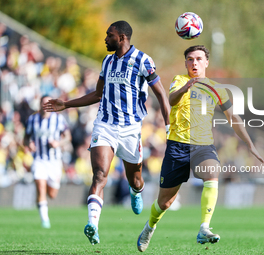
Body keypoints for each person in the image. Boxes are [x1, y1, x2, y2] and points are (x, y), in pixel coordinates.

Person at [43, 21, 170, 245]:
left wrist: (169, 127)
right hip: (105, 125)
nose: (105, 39)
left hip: (131, 129)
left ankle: (135, 191)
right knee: (100, 175)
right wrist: (67, 104)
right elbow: (97, 94)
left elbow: (160, 94)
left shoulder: (143, 60)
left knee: (136, 179)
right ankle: (93, 224)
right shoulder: (107, 61)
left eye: (109, 35)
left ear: (122, 38)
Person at [137, 45, 264, 252]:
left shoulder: (217, 88)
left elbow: (234, 118)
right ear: (185, 62)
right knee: (164, 203)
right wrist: (186, 88)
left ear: (206, 62)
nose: (194, 63)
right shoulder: (179, 81)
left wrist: (250, 145)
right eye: (189, 59)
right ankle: (150, 226)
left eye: (198, 59)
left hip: (202, 145)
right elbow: (170, 101)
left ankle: (204, 227)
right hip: (177, 146)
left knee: (212, 173)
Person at [24, 95, 71, 228]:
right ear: (39, 104)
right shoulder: (32, 119)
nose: (45, 106)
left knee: (52, 194)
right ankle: (45, 220)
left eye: (48, 103)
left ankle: (42, 201)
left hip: (55, 161)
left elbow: (68, 137)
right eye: (43, 103)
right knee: (40, 185)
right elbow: (25, 138)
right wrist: (29, 144)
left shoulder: (59, 119)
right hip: (39, 159)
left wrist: (58, 143)